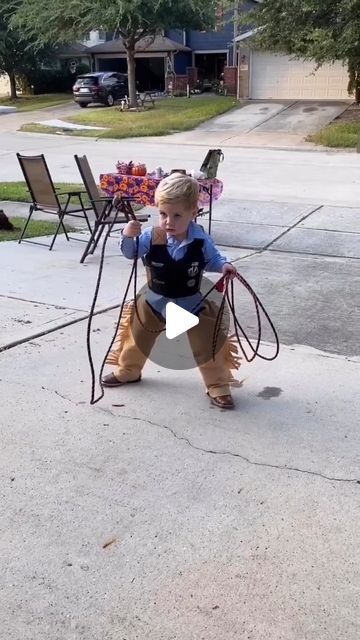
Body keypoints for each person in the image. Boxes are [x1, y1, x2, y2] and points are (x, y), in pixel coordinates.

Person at [102, 173, 240, 409]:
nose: (169, 221)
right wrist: (128, 236)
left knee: (209, 344)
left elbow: (213, 259)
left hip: (190, 304)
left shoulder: (200, 240)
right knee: (136, 338)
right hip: (154, 302)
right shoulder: (150, 236)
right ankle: (128, 370)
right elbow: (131, 252)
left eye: (177, 215)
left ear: (193, 213)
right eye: (163, 214)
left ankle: (218, 384)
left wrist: (224, 266)